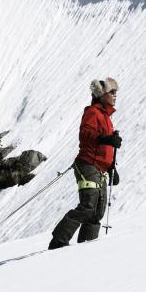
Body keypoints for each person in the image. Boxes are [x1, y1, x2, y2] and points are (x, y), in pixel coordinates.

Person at [48, 77, 122, 250]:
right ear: (101, 94)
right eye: (112, 92)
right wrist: (107, 138)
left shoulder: (106, 118)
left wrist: (111, 167)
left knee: (97, 211)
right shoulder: (92, 113)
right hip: (87, 164)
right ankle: (58, 242)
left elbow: (105, 148)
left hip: (100, 168)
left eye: (115, 92)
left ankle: (85, 248)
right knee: (88, 206)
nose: (115, 95)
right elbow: (85, 135)